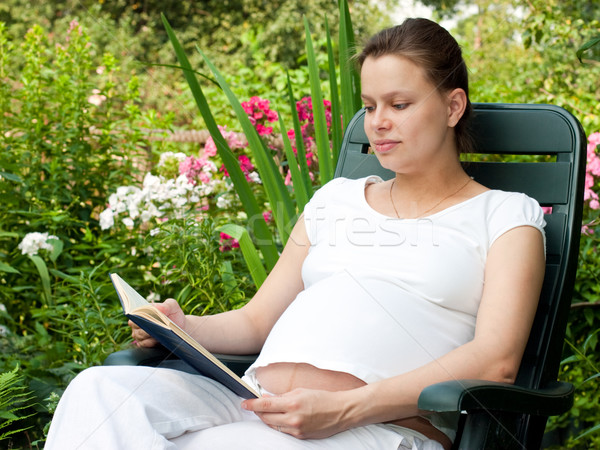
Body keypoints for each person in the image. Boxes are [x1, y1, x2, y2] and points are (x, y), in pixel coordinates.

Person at [45, 18, 546, 450]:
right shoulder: (337, 199)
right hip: (251, 402)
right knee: (96, 391)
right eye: (370, 106)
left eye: (399, 104)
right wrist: (182, 326)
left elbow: (497, 359)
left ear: (453, 107)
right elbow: (257, 320)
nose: (379, 123)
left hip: (375, 428)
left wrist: (346, 408)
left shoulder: (505, 217)